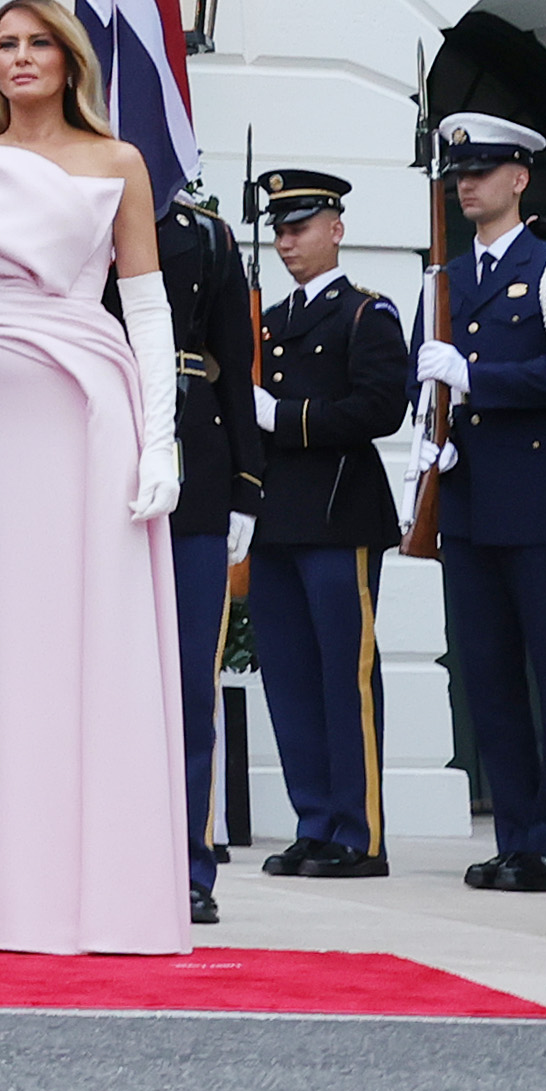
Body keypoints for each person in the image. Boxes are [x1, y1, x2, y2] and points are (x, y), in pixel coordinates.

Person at [0, 0, 186, 956]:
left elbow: (146, 305)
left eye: (36, 45)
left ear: (68, 63)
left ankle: (111, 896)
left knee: (93, 643)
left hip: (88, 413)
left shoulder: (119, 164)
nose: (19, 59)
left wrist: (160, 438)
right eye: (4, 46)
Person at [411, 112, 546, 893]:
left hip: (541, 502)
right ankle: (518, 833)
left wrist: (477, 380)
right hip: (468, 501)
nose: (467, 183)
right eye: (460, 173)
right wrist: (434, 435)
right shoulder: (447, 279)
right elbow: (425, 378)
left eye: (483, 171)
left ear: (519, 179)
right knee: (488, 677)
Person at [244, 167, 407, 882]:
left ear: (336, 229)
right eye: (279, 229)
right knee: (288, 677)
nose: (288, 241)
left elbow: (379, 409)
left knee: (346, 674)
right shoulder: (269, 324)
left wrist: (282, 417)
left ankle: (358, 832)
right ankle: (315, 821)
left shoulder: (366, 314)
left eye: (300, 227)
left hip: (340, 515)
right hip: (278, 521)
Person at [158, 183, 263, 921]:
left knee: (191, 684)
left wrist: (246, 487)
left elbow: (236, 361)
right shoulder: (77, 207)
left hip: (195, 466)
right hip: (96, 455)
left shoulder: (211, 239)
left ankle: (190, 864)